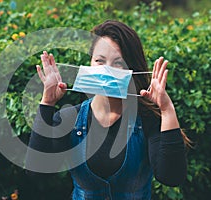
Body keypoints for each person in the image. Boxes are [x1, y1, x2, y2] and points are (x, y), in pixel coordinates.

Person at [27, 20, 189, 200]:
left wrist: (167, 110)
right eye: (99, 61)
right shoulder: (69, 118)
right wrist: (46, 103)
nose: (106, 70)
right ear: (90, 63)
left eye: (118, 63)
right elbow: (37, 172)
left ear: (132, 69)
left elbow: (172, 177)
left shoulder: (147, 120)